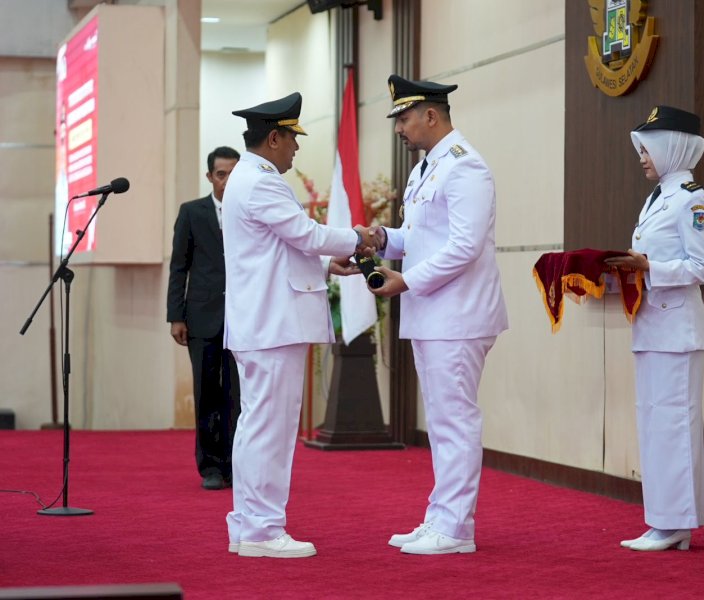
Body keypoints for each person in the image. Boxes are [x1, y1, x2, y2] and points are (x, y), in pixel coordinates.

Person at [222, 92, 377, 559]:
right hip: (272, 325)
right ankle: (263, 530)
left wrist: (329, 267)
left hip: (265, 321)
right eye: (292, 139)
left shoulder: (249, 178)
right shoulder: (261, 181)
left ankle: (250, 524)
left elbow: (277, 250)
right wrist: (359, 236)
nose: (295, 149)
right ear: (273, 137)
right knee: (269, 428)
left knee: (260, 425)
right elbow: (305, 234)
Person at [370, 75, 508, 555]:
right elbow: (419, 235)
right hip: (433, 314)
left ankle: (455, 530)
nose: (399, 129)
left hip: (460, 314)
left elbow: (465, 247)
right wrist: (383, 239)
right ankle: (439, 518)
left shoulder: (466, 167)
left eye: (404, 119)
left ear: (431, 115)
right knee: (443, 422)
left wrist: (405, 279)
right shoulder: (425, 168)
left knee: (455, 421)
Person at [605, 105, 704, 551]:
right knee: (656, 422)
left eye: (647, 149)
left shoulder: (693, 199)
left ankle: (674, 525)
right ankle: (665, 519)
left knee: (673, 424)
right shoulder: (658, 198)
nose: (642, 158)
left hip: (677, 331)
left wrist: (648, 266)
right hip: (652, 328)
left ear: (672, 147)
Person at [167, 146, 242, 491]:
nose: (227, 180)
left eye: (233, 173)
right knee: (207, 393)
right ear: (210, 176)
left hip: (244, 316)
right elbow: (179, 267)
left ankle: (238, 464)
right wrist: (176, 316)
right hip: (202, 316)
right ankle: (211, 467)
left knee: (238, 396)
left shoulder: (250, 210)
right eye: (222, 174)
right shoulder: (192, 212)